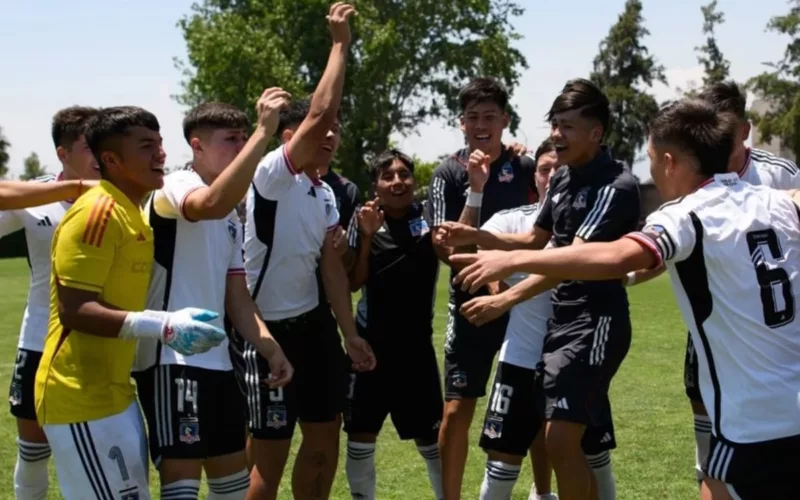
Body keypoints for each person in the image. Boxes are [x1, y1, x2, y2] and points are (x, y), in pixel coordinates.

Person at [452, 98, 800, 499]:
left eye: (651, 158)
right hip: (785, 406)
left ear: (668, 162)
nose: (649, 169)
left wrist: (511, 260)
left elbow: (615, 254)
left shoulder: (685, 214)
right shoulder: (776, 200)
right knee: (713, 485)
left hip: (754, 423)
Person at [437, 79, 639, 500]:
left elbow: (572, 259)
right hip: (560, 324)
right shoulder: (564, 178)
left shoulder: (615, 185)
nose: (555, 135)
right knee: (558, 442)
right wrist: (480, 237)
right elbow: (533, 239)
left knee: (563, 442)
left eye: (566, 126)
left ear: (596, 132)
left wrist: (505, 295)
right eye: (554, 124)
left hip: (595, 322)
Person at [33, 106, 227, 500]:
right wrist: (162, 326)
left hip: (116, 394)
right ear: (111, 160)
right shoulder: (99, 212)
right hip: (79, 398)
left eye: (159, 143)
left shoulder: (133, 211)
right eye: (146, 146)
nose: (161, 154)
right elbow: (75, 309)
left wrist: (166, 318)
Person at [626, 80, 800, 487]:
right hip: (731, 325)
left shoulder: (697, 207)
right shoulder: (780, 198)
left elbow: (632, 252)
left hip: (758, 406)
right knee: (705, 404)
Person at [238, 4, 376, 499]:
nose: (331, 136)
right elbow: (320, 112)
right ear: (289, 140)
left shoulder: (325, 195)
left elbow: (331, 273)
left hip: (315, 331)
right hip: (264, 332)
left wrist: (349, 334)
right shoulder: (272, 175)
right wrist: (340, 45)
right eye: (321, 133)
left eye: (335, 135)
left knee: (321, 444)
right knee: (267, 459)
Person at [131, 94, 295, 500]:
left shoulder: (232, 216)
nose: (240, 148)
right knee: (182, 487)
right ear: (197, 146)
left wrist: (270, 348)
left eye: (244, 138)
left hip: (220, 364)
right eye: (230, 139)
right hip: (171, 360)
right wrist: (262, 133)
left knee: (232, 488)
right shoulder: (176, 185)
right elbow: (209, 202)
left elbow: (237, 297)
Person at [463, 139, 617, 500]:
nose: (553, 175)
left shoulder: (593, 225)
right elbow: (481, 260)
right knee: (501, 464)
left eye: (559, 168)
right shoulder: (510, 221)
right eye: (545, 169)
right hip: (520, 356)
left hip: (577, 359)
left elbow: (567, 266)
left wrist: (508, 292)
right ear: (536, 178)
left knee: (592, 457)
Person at [427, 76, 535, 500]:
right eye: (473, 117)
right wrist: (488, 277)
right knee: (457, 409)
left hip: (525, 305)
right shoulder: (447, 173)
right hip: (471, 307)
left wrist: (508, 283)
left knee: (532, 404)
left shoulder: (525, 167)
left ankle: (542, 490)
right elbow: (444, 247)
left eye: (490, 116)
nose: (481, 124)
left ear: (506, 120)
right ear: (461, 124)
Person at [0, 106, 100, 500]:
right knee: (33, 449)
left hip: (101, 339)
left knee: (95, 449)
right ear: (63, 153)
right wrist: (69, 189)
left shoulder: (123, 194)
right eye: (88, 146)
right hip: (40, 339)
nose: (99, 155)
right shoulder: (35, 196)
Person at [343, 149, 444, 500]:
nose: (397, 181)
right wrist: (368, 235)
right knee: (360, 436)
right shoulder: (365, 220)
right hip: (369, 350)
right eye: (388, 176)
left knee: (432, 440)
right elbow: (353, 282)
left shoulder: (431, 217)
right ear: (376, 186)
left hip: (417, 351)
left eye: (404, 174)